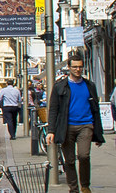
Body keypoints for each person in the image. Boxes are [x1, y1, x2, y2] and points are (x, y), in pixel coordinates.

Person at [46, 53, 106, 193]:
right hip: (66, 127)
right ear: (68, 67)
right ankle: (74, 189)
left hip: (86, 125)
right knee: (70, 160)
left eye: (80, 67)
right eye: (74, 67)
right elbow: (53, 109)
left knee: (84, 156)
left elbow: (95, 109)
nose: (78, 70)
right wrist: (51, 131)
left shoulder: (89, 85)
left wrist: (99, 133)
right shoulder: (60, 86)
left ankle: (85, 186)